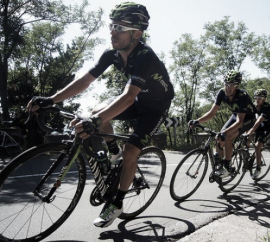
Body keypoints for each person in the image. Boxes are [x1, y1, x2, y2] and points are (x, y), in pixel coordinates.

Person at [27, 2, 174, 228]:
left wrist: (96, 122)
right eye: (112, 25)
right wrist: (51, 99)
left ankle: (116, 203)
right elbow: (85, 80)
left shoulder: (146, 57)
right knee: (97, 112)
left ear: (137, 33)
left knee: (131, 151)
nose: (113, 31)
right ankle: (112, 153)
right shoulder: (112, 54)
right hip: (137, 101)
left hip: (155, 108)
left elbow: (127, 96)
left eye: (120, 28)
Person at [188, 70, 255, 178]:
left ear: (237, 86)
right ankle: (221, 164)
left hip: (248, 119)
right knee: (219, 137)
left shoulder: (242, 96)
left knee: (227, 136)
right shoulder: (222, 92)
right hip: (235, 115)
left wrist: (225, 132)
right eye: (226, 84)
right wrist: (197, 121)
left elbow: (240, 122)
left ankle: (228, 166)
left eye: (232, 85)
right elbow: (212, 113)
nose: (228, 87)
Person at [244, 89, 270, 179]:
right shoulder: (253, 106)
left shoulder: (267, 107)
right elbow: (247, 118)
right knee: (246, 138)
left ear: (264, 99)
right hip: (259, 127)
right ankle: (249, 157)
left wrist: (251, 130)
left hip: (268, 128)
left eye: (260, 98)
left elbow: (259, 120)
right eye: (256, 97)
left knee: (257, 146)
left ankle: (258, 168)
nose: (257, 99)